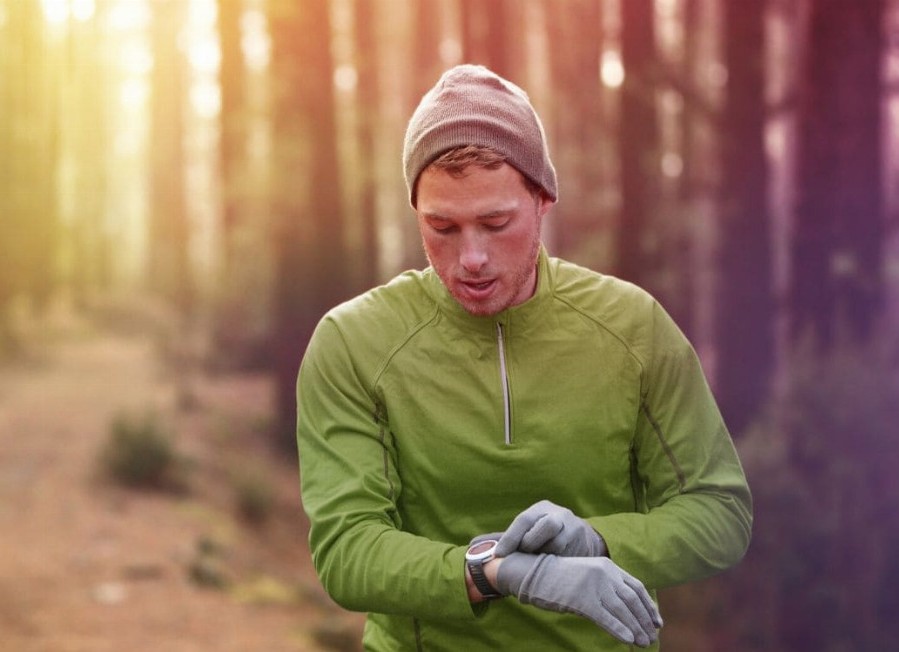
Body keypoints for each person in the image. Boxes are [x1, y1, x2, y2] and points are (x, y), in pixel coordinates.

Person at [295, 64, 752, 650]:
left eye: (495, 222)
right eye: (443, 227)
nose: (472, 258)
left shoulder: (632, 326)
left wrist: (598, 541)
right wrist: (497, 570)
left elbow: (720, 514)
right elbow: (347, 549)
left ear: (543, 200)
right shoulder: (354, 341)